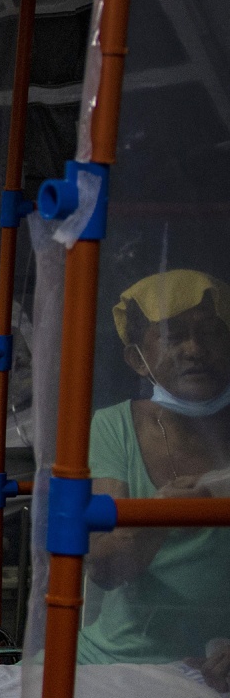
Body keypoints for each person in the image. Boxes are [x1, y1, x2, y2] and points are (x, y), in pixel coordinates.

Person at [82, 269, 230, 670]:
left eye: (212, 333)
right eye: (172, 336)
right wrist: (160, 516)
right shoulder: (114, 426)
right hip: (117, 659)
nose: (194, 349)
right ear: (138, 359)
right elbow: (107, 568)